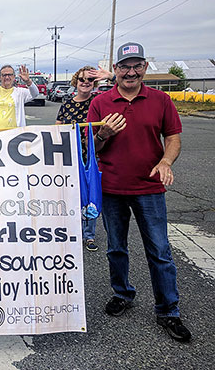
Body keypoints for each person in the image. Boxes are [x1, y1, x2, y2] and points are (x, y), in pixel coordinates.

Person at [87, 42, 191, 342]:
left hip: (149, 188)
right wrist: (103, 134)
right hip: (112, 187)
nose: (130, 72)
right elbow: (92, 147)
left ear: (144, 67)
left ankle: (168, 310)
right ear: (115, 69)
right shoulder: (100, 102)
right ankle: (122, 293)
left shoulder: (161, 100)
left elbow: (173, 137)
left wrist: (165, 162)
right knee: (116, 248)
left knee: (159, 251)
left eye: (136, 66)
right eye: (124, 66)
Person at [55, 66, 111, 252]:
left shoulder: (98, 102)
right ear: (75, 82)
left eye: (89, 80)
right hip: (69, 156)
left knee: (90, 193)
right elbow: (57, 127)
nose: (85, 83)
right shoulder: (67, 104)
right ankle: (72, 231)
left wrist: (110, 76)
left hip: (91, 156)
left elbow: (121, 90)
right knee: (71, 195)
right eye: (82, 79)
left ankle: (89, 235)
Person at [0, 65, 39, 129]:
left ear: (14, 77)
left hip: (14, 133)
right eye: (4, 75)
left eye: (10, 75)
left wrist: (28, 81)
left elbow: (35, 94)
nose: (7, 77)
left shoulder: (20, 92)